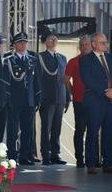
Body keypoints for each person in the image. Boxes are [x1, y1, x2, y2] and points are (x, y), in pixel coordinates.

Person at [2, 32, 41, 165]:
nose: (23, 45)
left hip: (29, 100)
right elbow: (6, 81)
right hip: (14, 100)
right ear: (15, 44)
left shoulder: (32, 59)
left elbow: (37, 81)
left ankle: (25, 156)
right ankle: (12, 156)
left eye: (25, 42)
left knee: (27, 130)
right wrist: (7, 99)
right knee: (12, 130)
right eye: (20, 42)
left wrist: (38, 97)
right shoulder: (9, 60)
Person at [80, 32, 112, 174]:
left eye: (106, 42)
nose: (105, 45)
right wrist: (106, 91)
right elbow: (88, 80)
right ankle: (91, 162)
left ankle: (108, 162)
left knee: (109, 132)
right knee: (93, 132)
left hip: (109, 102)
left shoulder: (110, 58)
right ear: (93, 44)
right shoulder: (86, 60)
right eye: (102, 42)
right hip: (94, 101)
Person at [64, 36, 97, 168]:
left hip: (95, 102)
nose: (84, 47)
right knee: (79, 130)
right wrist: (72, 92)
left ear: (92, 45)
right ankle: (79, 159)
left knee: (93, 131)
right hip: (80, 102)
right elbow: (66, 80)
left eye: (86, 44)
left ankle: (94, 160)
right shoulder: (74, 61)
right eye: (82, 45)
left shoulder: (98, 61)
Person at [39, 32, 69, 165]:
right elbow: (38, 79)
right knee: (46, 128)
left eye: (55, 39)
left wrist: (68, 97)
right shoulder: (40, 57)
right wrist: (40, 97)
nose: (54, 41)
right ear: (46, 42)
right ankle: (46, 154)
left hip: (60, 97)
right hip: (47, 97)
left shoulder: (62, 58)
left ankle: (55, 154)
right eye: (51, 39)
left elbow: (66, 79)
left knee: (57, 128)